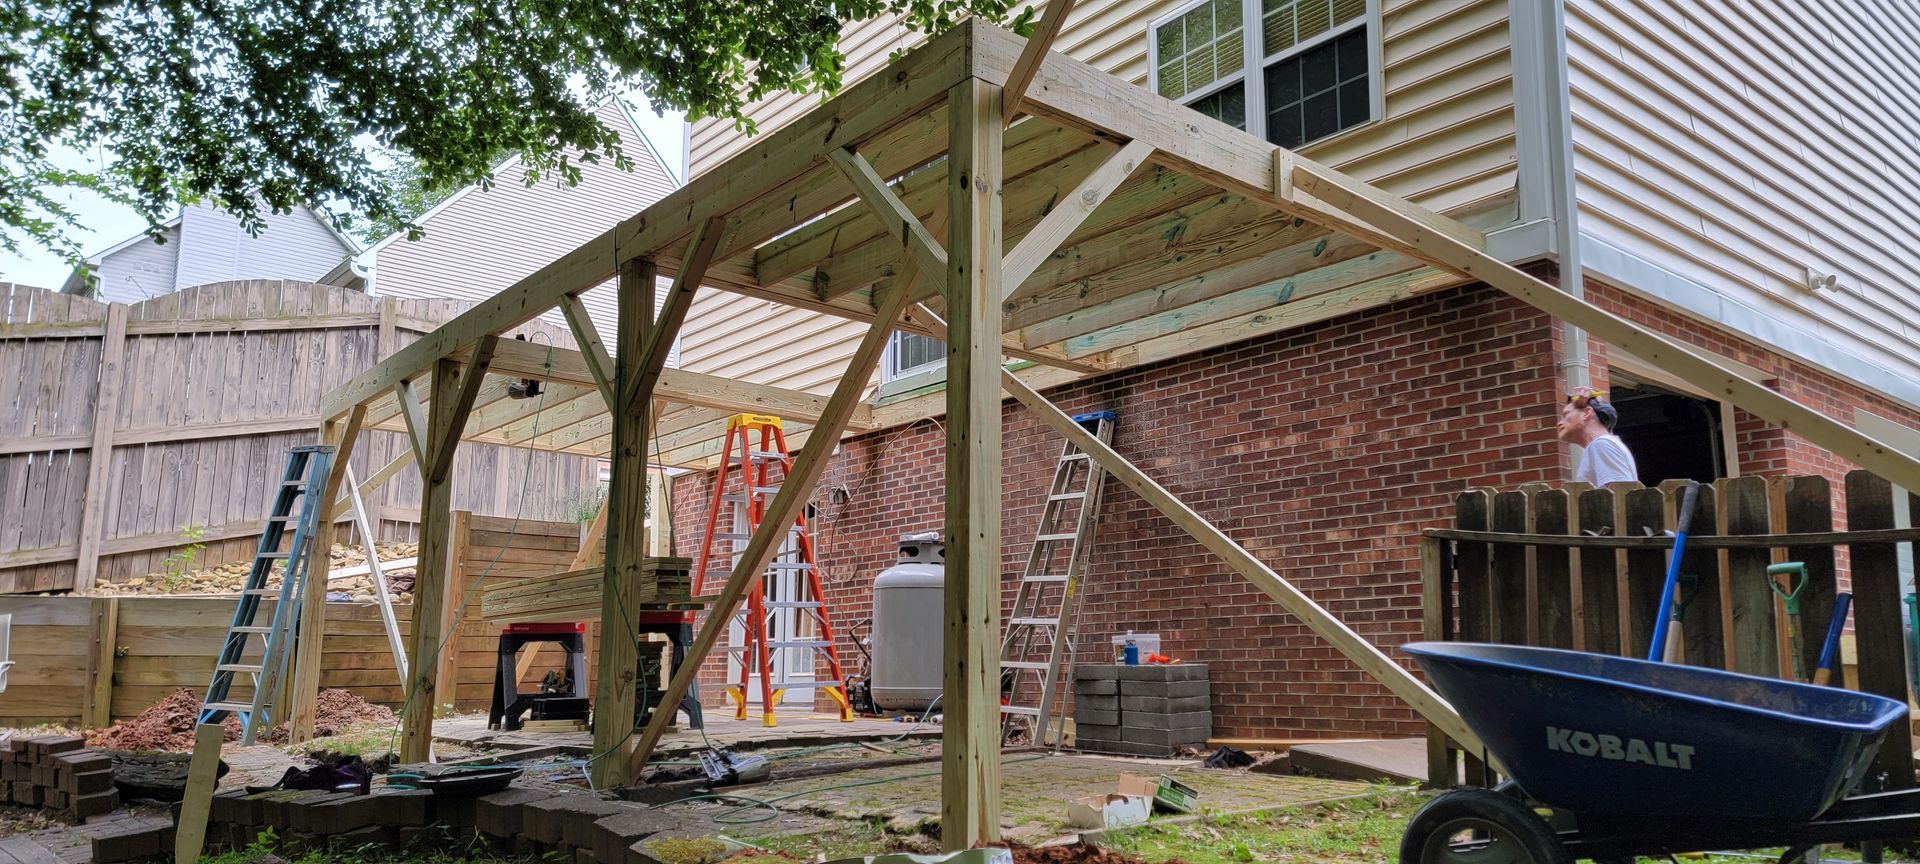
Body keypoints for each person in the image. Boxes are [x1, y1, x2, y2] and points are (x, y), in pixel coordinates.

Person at [1557, 386, 1639, 486]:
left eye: (1566, 415)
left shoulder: (1601, 444)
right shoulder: (1603, 444)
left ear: (1587, 413)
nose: (1559, 423)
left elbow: (1620, 493)